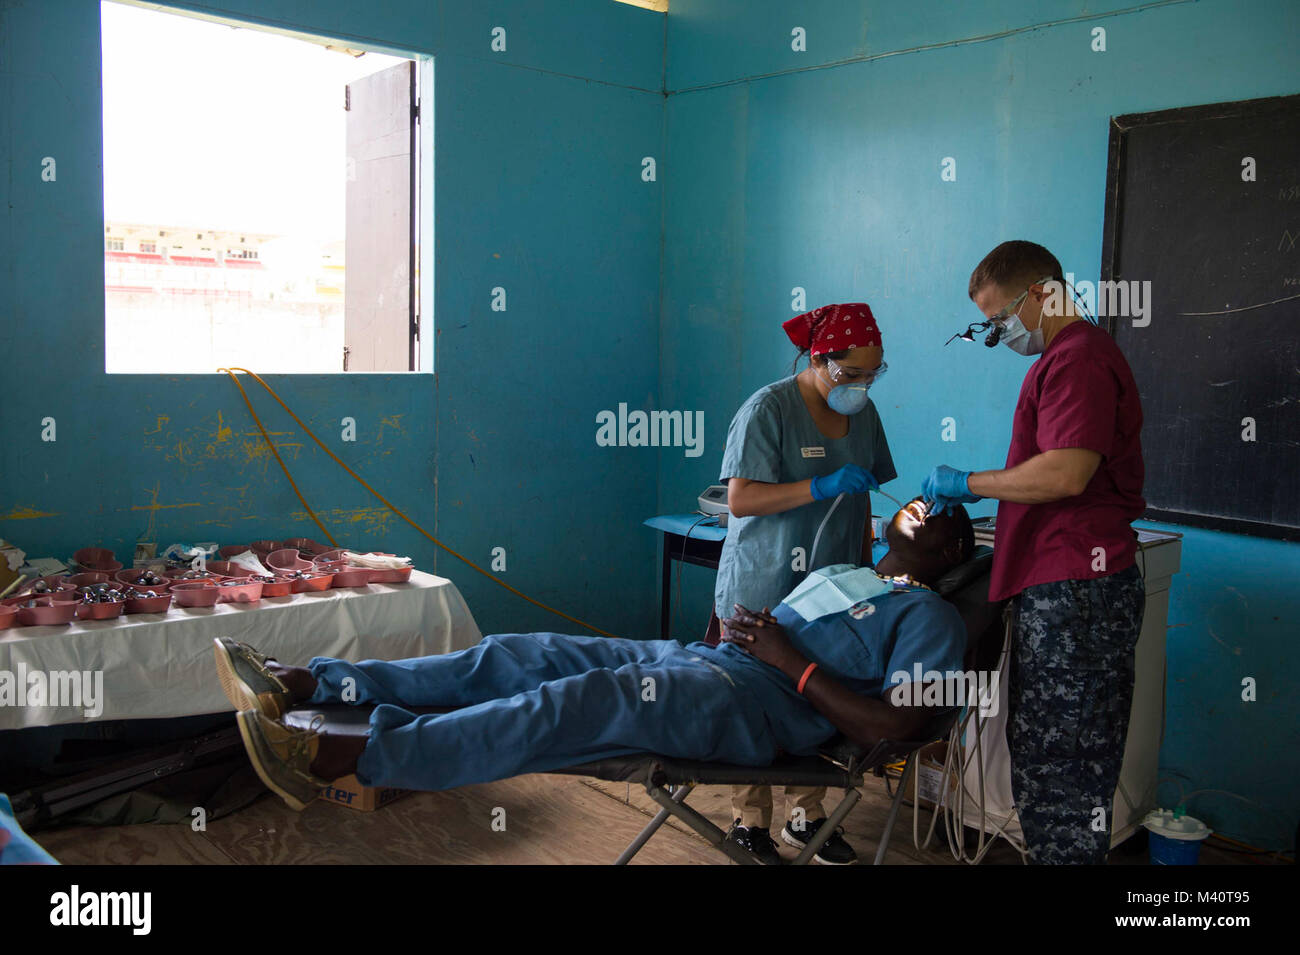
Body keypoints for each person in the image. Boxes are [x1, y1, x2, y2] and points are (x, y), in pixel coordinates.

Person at [216, 498, 975, 865]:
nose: (928, 511)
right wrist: (752, 631)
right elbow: (779, 639)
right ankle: (323, 687)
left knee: (574, 703)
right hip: (707, 662)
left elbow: (895, 728)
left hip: (753, 708)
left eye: (944, 520)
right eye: (921, 503)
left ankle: (356, 755)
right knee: (519, 654)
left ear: (949, 557)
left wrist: (789, 660)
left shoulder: (932, 617)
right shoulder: (845, 569)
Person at [921, 240, 1145, 865]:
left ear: (1045, 292)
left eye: (1000, 319)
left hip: (1079, 589)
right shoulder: (1066, 359)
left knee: (1064, 776)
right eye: (988, 324)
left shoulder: (1078, 360)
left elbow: (1065, 474)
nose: (998, 334)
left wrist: (967, 482)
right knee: (1051, 767)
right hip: (1068, 585)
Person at [713, 302, 897, 864]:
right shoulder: (768, 409)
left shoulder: (862, 412)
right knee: (753, 700)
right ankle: (749, 820)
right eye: (852, 373)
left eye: (873, 373)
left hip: (833, 586)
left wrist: (867, 569)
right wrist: (817, 486)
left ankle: (807, 814)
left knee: (817, 694)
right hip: (764, 579)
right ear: (819, 358)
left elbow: (863, 496)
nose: (862, 384)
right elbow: (740, 500)